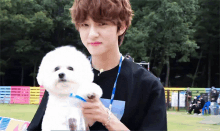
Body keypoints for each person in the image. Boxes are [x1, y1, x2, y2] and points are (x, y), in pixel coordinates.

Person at [27, 0, 167, 130]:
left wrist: (108, 119)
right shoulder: (64, 76)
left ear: (122, 27)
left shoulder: (148, 86)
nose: (92, 34)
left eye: (102, 24)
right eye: (85, 25)